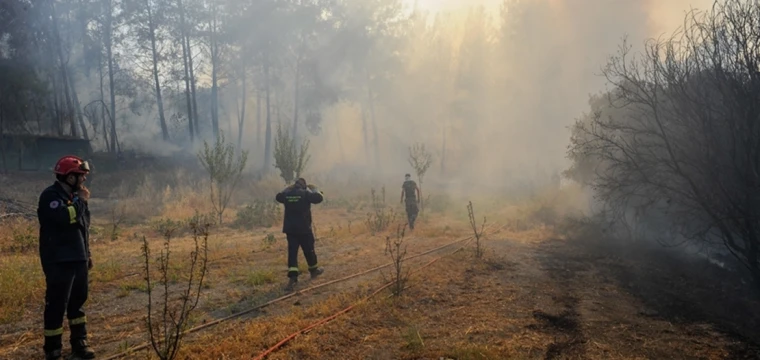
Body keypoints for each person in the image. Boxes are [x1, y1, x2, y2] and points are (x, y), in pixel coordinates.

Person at [37, 155, 95, 360]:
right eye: (81, 176)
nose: (84, 180)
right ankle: (53, 350)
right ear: (70, 178)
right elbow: (65, 218)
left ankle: (80, 343)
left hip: (77, 258)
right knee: (56, 305)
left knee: (77, 302)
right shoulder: (50, 197)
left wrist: (87, 254)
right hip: (59, 261)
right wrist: (81, 201)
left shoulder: (76, 198)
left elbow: (83, 228)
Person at [275, 177, 325, 291]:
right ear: (304, 186)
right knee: (309, 250)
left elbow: (278, 197)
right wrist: (316, 190)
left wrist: (287, 189)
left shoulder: (287, 194)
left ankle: (293, 277)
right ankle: (313, 271)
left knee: (292, 253)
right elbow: (319, 198)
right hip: (304, 229)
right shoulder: (306, 193)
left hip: (290, 230)